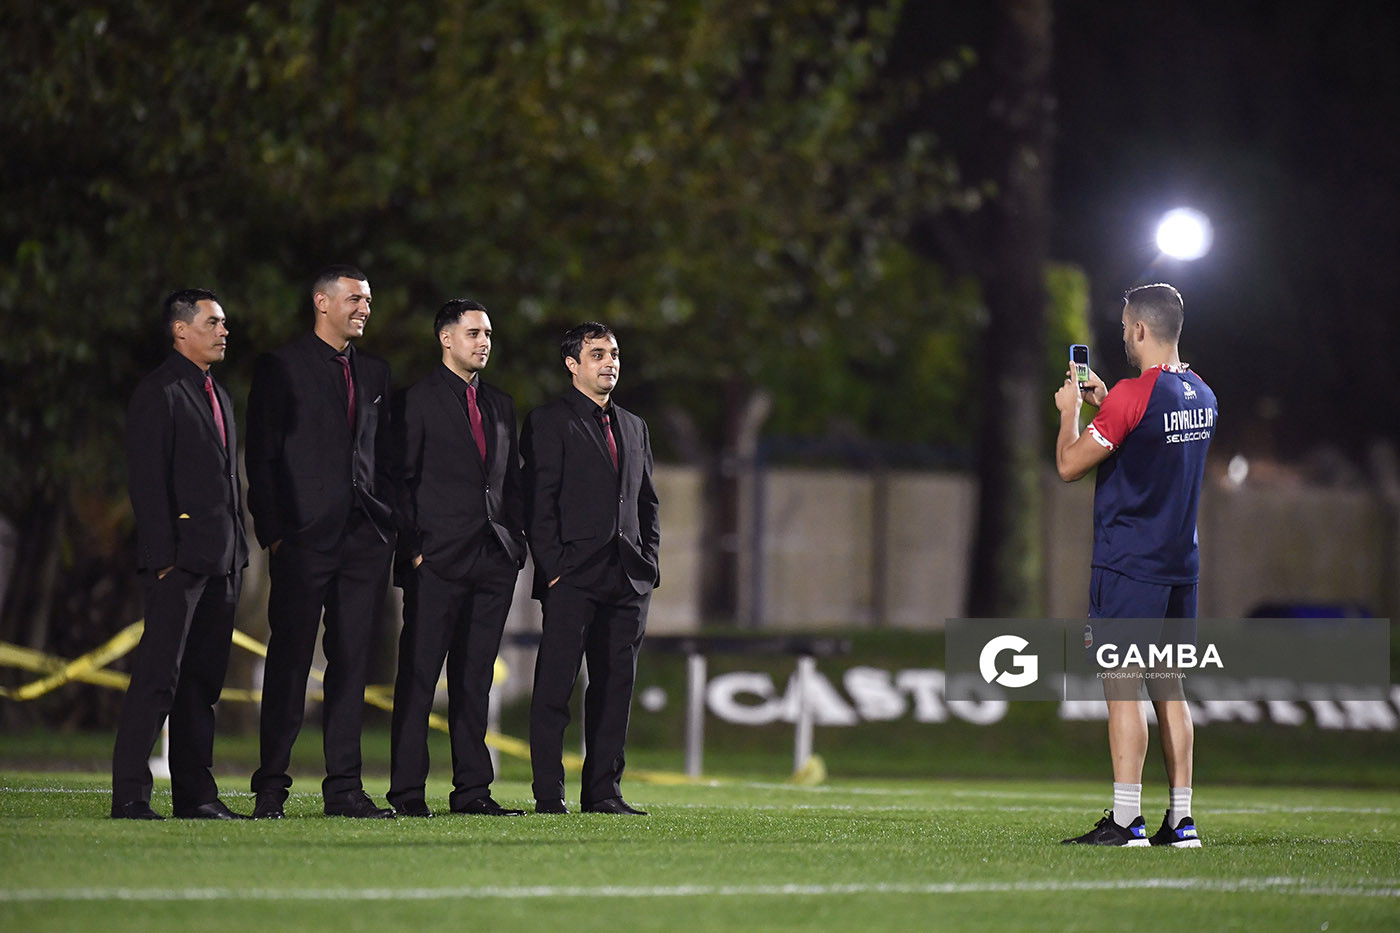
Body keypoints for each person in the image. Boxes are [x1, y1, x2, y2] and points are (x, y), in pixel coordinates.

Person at [1053, 283, 1216, 848]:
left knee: (1123, 687)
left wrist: (1071, 412)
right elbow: (1149, 438)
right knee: (1169, 687)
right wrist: (1106, 402)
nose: (1123, 335)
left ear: (1142, 330)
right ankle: (1183, 820)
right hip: (1180, 567)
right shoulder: (1202, 393)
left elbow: (1071, 465)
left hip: (1129, 564)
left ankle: (1127, 821)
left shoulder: (1132, 394)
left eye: (1126, 327)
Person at [246, 265, 397, 819]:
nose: (364, 307)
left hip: (364, 541)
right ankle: (270, 791)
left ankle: (345, 791)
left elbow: (386, 458)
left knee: (353, 665)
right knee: (288, 662)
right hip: (303, 540)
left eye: (368, 299)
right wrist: (277, 534)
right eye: (355, 297)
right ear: (321, 302)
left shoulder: (378, 374)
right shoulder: (281, 366)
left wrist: (387, 525)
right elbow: (260, 457)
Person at [387, 300, 527, 818]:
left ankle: (472, 792)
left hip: (493, 560)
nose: (484, 342)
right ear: (446, 339)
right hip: (438, 561)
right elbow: (398, 482)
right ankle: (406, 795)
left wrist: (515, 544)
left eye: (488, 333)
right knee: (419, 680)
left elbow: (510, 481)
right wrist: (417, 551)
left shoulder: (501, 404)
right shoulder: (415, 402)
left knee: (475, 682)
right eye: (473, 333)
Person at [113, 289, 249, 820]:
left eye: (224, 322)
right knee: (158, 678)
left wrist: (238, 551)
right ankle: (130, 794)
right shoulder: (160, 391)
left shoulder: (219, 392)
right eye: (213, 322)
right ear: (180, 331)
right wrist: (163, 557)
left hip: (223, 560)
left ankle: (196, 796)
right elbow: (147, 483)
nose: (223, 331)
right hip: (179, 562)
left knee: (202, 683)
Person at [522, 322, 660, 815]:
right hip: (573, 576)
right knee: (555, 689)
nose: (610, 363)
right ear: (572, 364)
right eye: (598, 353)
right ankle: (548, 795)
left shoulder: (634, 425)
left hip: (627, 579)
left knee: (614, 688)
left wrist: (650, 565)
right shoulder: (549, 421)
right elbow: (538, 503)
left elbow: (646, 504)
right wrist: (555, 567)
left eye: (615, 353)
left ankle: (604, 792)